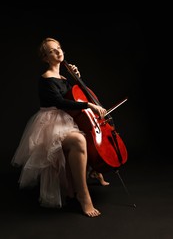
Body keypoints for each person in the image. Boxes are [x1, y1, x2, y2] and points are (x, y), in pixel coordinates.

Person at [11, 37, 109, 218]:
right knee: (79, 139)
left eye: (59, 48)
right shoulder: (45, 79)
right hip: (50, 123)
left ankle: (93, 171)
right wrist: (90, 105)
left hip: (66, 119)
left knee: (87, 136)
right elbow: (60, 102)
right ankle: (83, 196)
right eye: (52, 51)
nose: (58, 52)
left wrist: (77, 78)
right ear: (45, 58)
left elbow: (75, 96)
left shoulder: (64, 77)